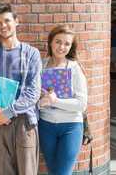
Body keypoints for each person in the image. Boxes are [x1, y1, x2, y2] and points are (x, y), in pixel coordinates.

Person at [0, 3, 41, 175]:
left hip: (24, 121)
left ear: (16, 21)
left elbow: (33, 92)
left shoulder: (31, 53)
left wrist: (8, 112)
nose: (3, 25)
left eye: (7, 20)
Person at [38, 25, 87, 175]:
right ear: (51, 42)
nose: (62, 47)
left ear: (71, 47)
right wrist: (40, 102)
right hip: (46, 126)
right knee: (53, 171)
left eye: (67, 44)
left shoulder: (74, 68)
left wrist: (55, 101)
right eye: (58, 42)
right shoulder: (41, 65)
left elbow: (81, 104)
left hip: (71, 127)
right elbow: (34, 96)